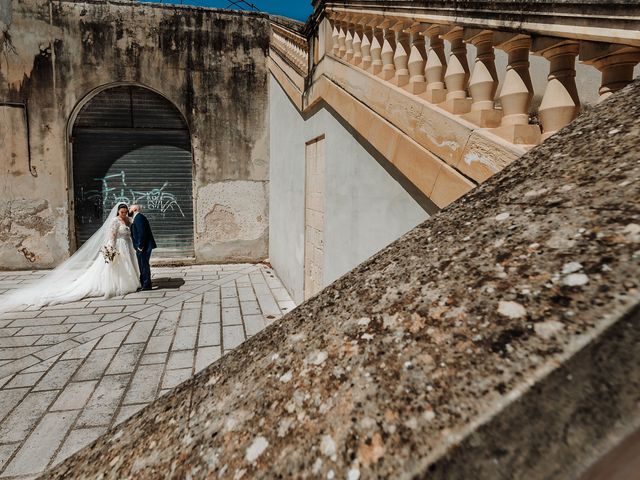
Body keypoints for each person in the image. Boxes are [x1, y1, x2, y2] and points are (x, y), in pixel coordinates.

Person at [0, 203, 141, 312]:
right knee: (116, 266)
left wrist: (135, 212)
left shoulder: (128, 220)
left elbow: (136, 220)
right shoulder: (115, 221)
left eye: (125, 212)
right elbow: (112, 236)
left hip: (127, 246)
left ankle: (131, 281)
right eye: (121, 212)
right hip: (118, 246)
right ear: (117, 212)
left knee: (128, 264)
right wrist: (111, 249)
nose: (123, 214)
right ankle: (118, 284)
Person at [129, 204, 157, 291]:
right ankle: (144, 283)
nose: (128, 209)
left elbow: (142, 233)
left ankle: (146, 285)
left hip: (144, 246)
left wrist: (140, 246)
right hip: (143, 246)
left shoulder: (139, 218)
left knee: (144, 265)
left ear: (134, 209)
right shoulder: (137, 218)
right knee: (142, 265)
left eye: (130, 208)